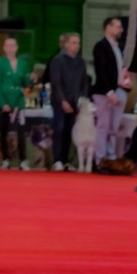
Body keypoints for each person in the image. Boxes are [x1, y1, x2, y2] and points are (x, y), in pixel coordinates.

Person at [48, 31, 89, 171]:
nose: (77, 46)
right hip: (60, 101)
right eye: (73, 42)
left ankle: (66, 160)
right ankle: (57, 159)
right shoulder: (57, 60)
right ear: (66, 44)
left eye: (78, 43)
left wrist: (81, 99)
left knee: (70, 131)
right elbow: (56, 82)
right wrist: (62, 101)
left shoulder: (81, 62)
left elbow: (84, 82)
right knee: (59, 129)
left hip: (75, 101)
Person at [92, 17, 129, 167]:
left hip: (119, 89)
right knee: (103, 126)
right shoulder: (100, 46)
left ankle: (111, 156)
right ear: (108, 27)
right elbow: (100, 70)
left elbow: (120, 69)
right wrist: (109, 91)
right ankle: (101, 158)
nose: (121, 30)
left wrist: (125, 83)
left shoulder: (119, 47)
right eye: (118, 27)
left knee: (114, 127)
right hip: (104, 92)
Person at [0, 36, 31, 170]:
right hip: (3, 100)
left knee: (21, 131)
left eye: (13, 46)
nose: (10, 48)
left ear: (17, 48)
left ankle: (23, 160)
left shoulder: (23, 63)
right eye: (8, 46)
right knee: (4, 131)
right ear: (4, 48)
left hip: (18, 101)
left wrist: (29, 79)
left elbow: (25, 83)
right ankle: (5, 159)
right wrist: (3, 103)